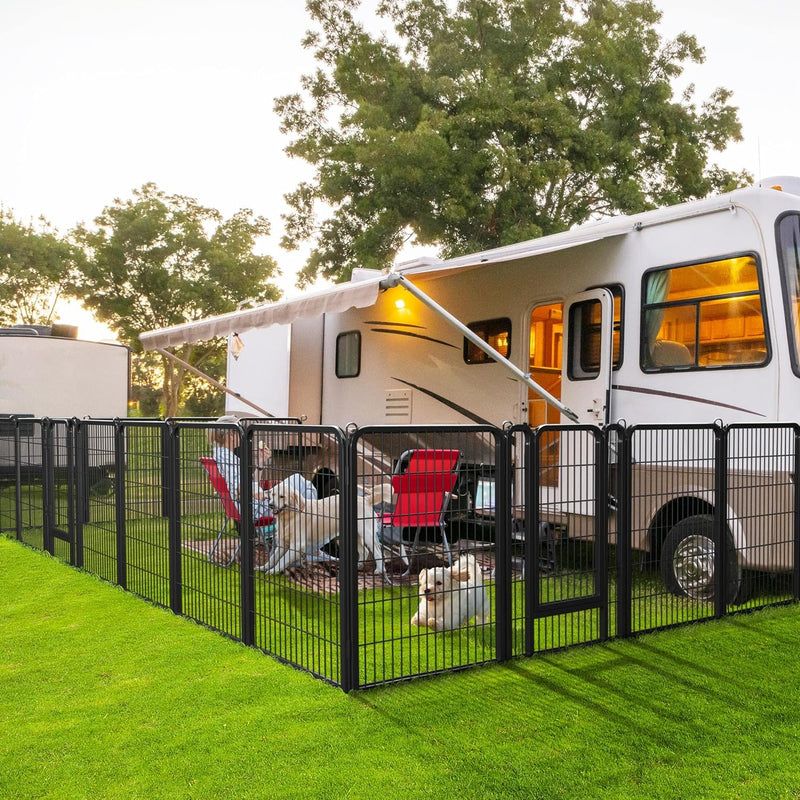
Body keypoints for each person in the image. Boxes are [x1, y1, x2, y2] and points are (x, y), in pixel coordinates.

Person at [207, 414, 317, 520]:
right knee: (301, 482)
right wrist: (258, 493)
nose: (243, 433)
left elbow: (249, 483)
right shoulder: (226, 458)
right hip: (257, 507)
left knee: (301, 484)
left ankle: (310, 527)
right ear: (231, 434)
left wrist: (261, 462)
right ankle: (313, 528)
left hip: (254, 504)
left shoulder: (223, 455)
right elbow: (238, 487)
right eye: (240, 429)